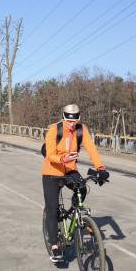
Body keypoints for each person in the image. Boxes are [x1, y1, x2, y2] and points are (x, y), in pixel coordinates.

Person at [42, 104, 109, 262]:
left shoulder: (81, 129)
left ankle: (73, 212)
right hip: (52, 172)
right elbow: (50, 154)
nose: (72, 124)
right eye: (69, 121)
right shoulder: (54, 130)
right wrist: (61, 159)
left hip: (70, 170)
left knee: (82, 188)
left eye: (75, 121)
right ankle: (55, 247)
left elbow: (91, 149)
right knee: (52, 210)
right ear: (64, 117)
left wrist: (100, 168)